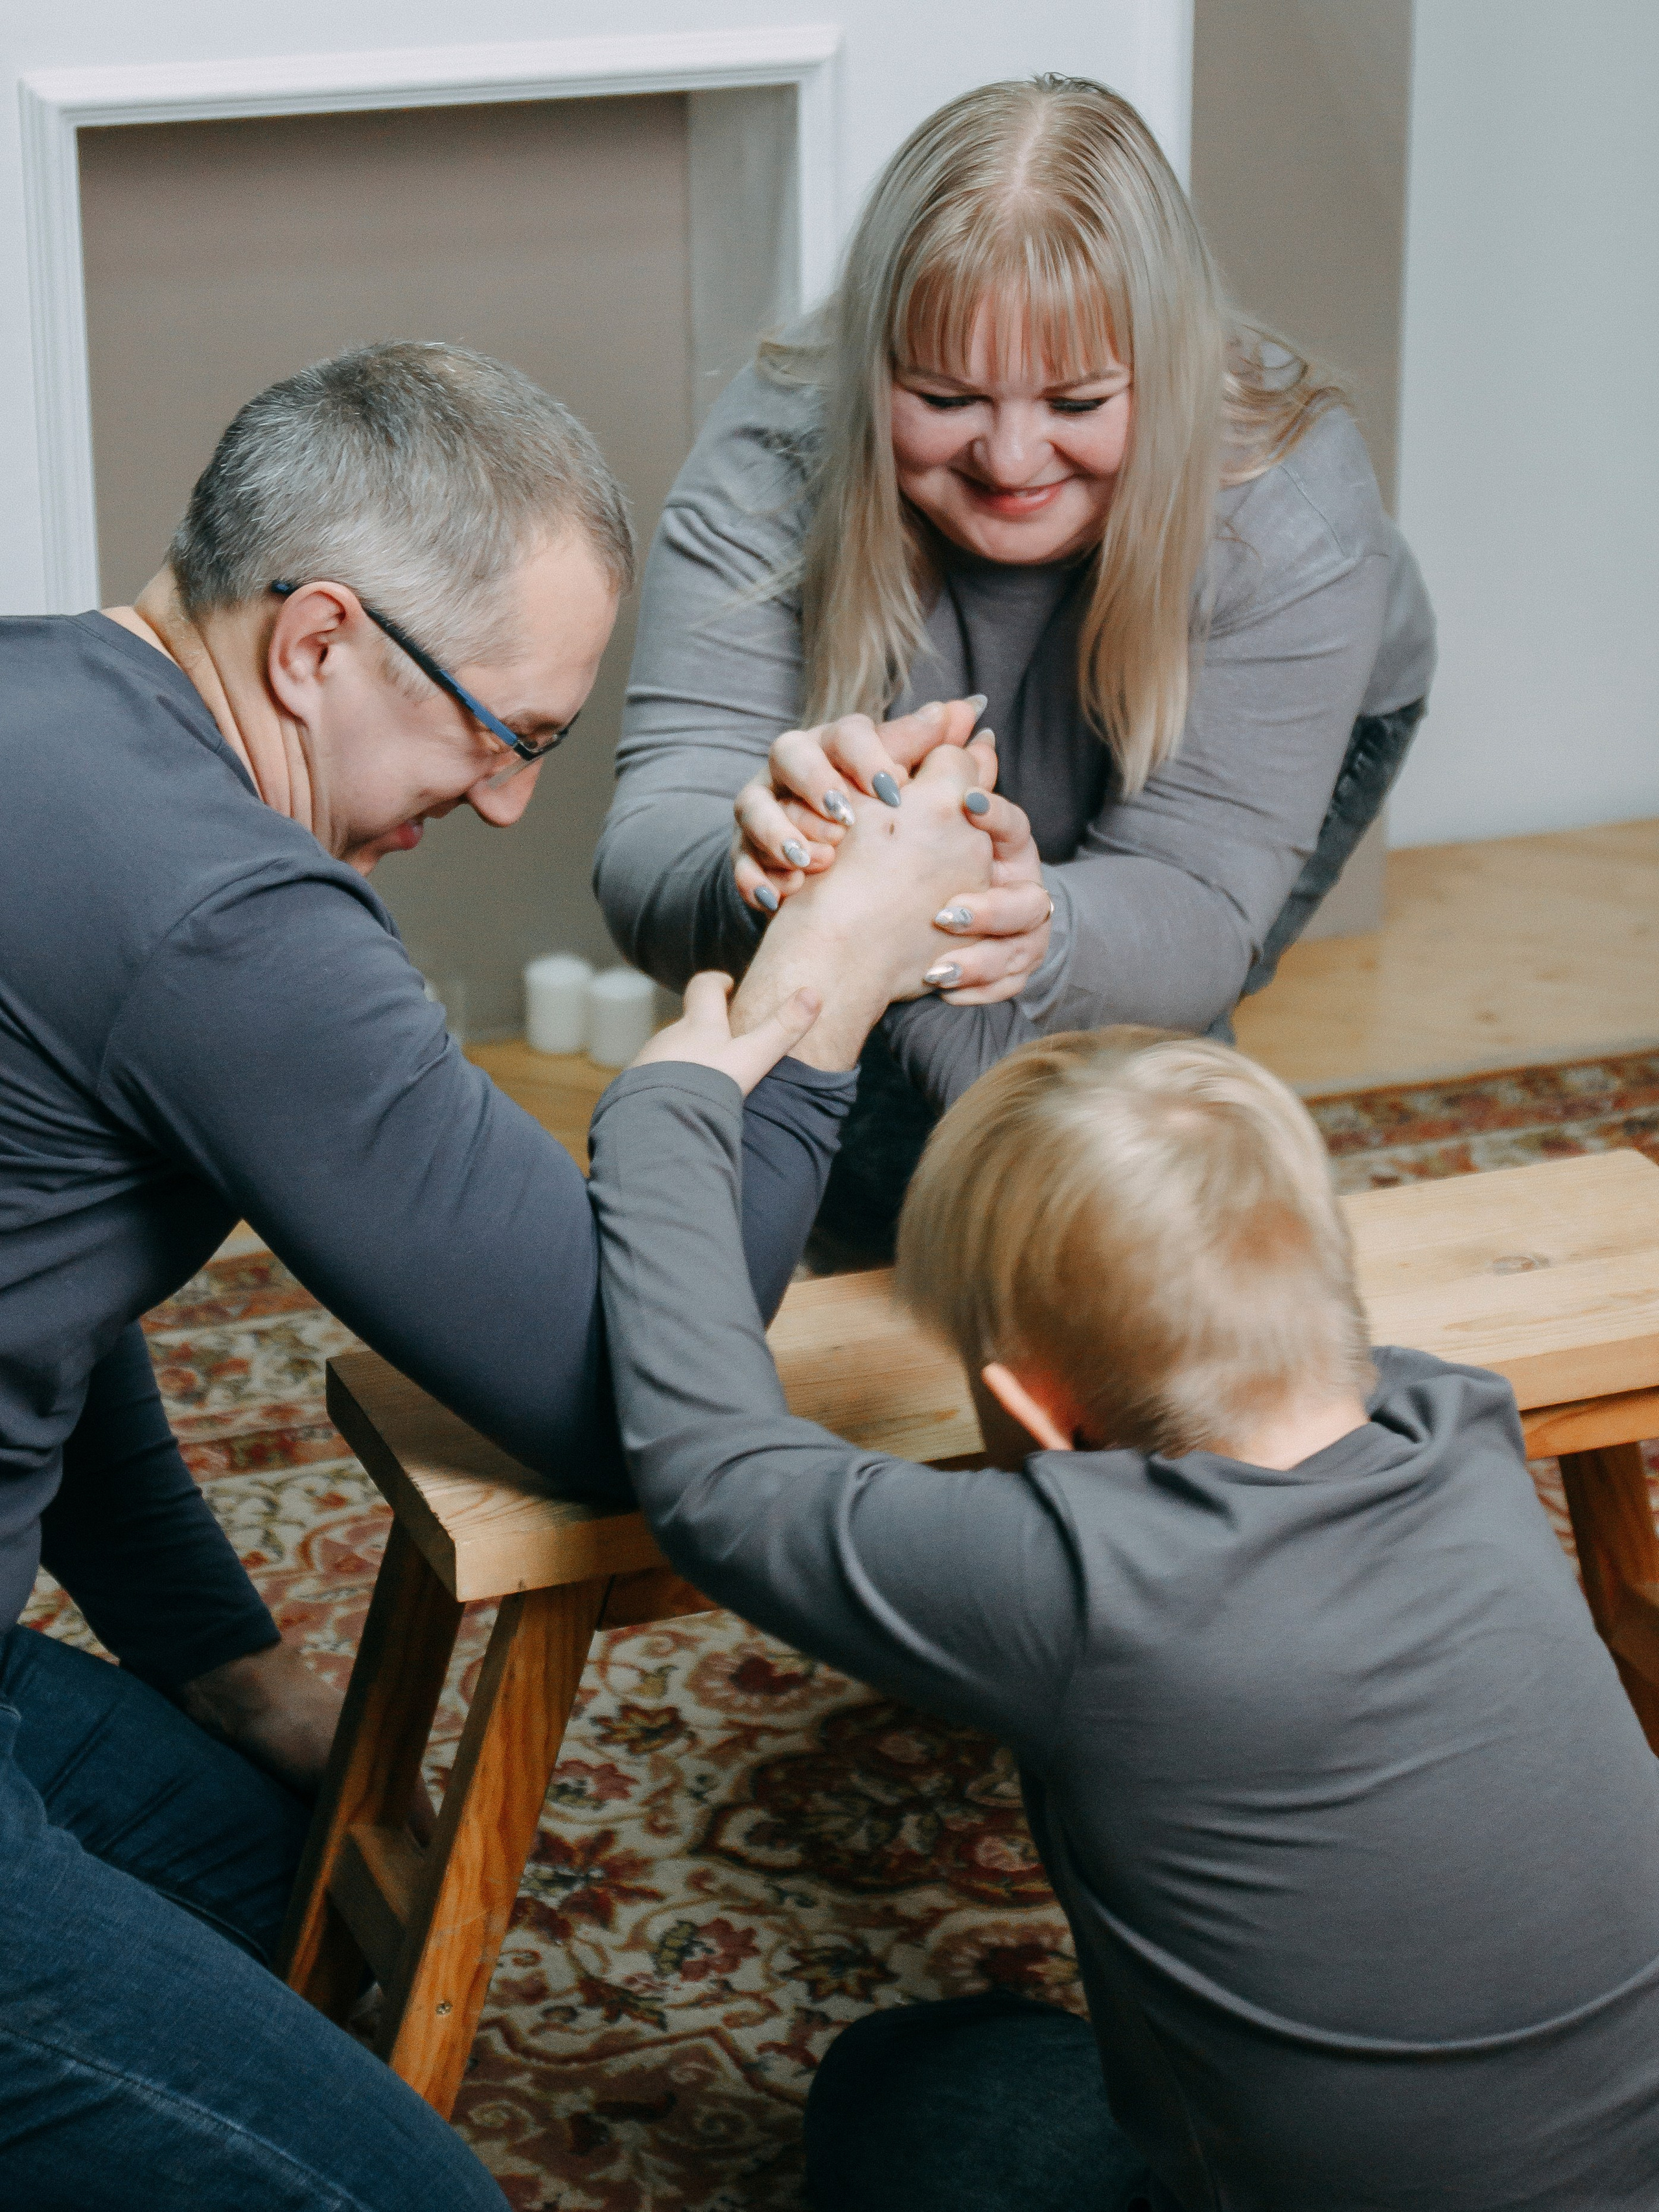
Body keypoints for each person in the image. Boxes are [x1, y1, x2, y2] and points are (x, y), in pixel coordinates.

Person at [0, 340, 1012, 2208]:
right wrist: (822, 995)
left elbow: (38, 1321)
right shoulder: (222, 912)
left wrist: (228, 1670)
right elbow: (627, 1394)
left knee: (291, 1888)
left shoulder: (45, 699)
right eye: (510, 731)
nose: (506, 805)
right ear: (314, 643)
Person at [590, 1007, 1659, 2210]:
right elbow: (1168, 1234)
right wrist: (961, 1019)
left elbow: (717, 1479)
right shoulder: (1462, 1425)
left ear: (1035, 1411)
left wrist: (667, 1108)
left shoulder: (1085, 1586)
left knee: (905, 2078)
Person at [595, 74, 1437, 1263]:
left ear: (1169, 372)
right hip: (934, 826)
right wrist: (766, 859)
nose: (1010, 457)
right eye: (944, 398)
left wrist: (1033, 928)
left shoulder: (1294, 520)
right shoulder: (776, 449)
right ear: (875, 367)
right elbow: (645, 855)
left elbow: (1193, 901)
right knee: (873, 1159)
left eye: (1080, 401)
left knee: (1126, 1090)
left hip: (1281, 732)